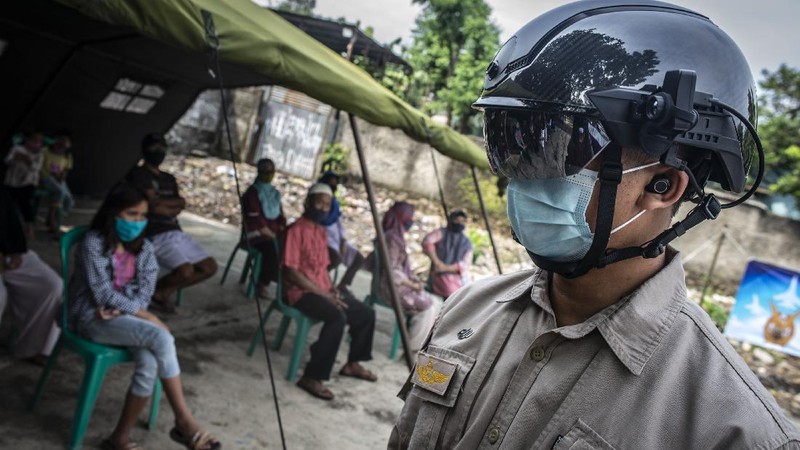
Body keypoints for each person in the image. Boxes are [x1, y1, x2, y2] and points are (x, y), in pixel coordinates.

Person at [390, 1, 800, 448]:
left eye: (558, 151)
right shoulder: (466, 311)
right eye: (514, 147)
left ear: (663, 187)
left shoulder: (731, 431)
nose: (524, 175)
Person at [68, 183, 221, 450]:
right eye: (131, 214)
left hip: (124, 318)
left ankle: (120, 438)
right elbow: (102, 293)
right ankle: (185, 422)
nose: (138, 221)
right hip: (91, 318)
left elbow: (146, 290)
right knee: (160, 336)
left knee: (150, 361)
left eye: (142, 216)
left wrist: (130, 309)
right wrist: (146, 316)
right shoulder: (93, 243)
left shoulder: (145, 248)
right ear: (113, 213)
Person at [284, 182, 377, 401]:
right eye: (319, 202)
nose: (323, 208)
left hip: (322, 289)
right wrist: (323, 294)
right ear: (308, 202)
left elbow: (322, 270)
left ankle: (353, 363)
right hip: (300, 293)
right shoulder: (295, 230)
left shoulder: (321, 232)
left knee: (365, 313)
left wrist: (332, 291)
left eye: (327, 204)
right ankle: (312, 376)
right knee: (337, 317)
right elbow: (292, 272)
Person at [126, 133, 217, 313]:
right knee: (186, 271)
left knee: (209, 267)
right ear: (145, 150)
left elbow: (180, 203)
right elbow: (151, 205)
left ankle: (161, 291)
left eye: (162, 148)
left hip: (176, 231)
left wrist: (162, 206)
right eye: (154, 148)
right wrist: (165, 206)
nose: (159, 152)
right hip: (154, 233)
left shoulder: (169, 178)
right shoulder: (138, 174)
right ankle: (155, 293)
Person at [0, 185, 61, 365]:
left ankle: (34, 348)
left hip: (8, 253)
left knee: (51, 285)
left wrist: (14, 250)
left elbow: (9, 217)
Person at [377, 202, 438, 354]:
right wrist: (412, 285)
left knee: (437, 303)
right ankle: (412, 349)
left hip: (398, 285)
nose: (411, 221)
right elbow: (392, 271)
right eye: (409, 217)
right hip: (391, 288)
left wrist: (413, 281)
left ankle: (418, 343)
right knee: (428, 308)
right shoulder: (392, 239)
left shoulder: (395, 236)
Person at [242, 158, 286, 295]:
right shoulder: (252, 193)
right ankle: (260, 282)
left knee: (290, 249)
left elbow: (281, 217)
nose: (268, 174)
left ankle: (282, 282)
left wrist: (283, 228)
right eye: (265, 171)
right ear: (259, 171)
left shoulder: (274, 194)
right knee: (275, 249)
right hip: (255, 236)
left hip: (272, 234)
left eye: (270, 171)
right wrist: (275, 236)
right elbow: (257, 224)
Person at [318, 171, 365, 290]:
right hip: (321, 239)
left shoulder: (334, 204)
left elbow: (338, 223)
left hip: (336, 240)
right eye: (330, 184)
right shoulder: (317, 201)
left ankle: (342, 287)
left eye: (335, 185)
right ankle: (317, 279)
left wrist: (343, 240)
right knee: (334, 259)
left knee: (358, 258)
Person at [421, 209, 473, 299]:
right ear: (451, 220)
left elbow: (465, 265)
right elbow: (427, 241)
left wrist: (443, 267)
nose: (459, 223)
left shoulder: (466, 243)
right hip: (440, 280)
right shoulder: (442, 233)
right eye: (456, 220)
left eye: (462, 221)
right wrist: (437, 262)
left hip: (458, 281)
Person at [4, 131, 45, 240]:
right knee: (8, 204)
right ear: (27, 140)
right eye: (33, 141)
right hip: (12, 181)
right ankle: (8, 227)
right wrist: (15, 158)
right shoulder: (17, 149)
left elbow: (36, 168)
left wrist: (27, 160)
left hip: (28, 182)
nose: (35, 144)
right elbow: (7, 161)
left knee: (25, 203)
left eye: (38, 142)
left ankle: (29, 228)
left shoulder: (40, 154)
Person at [40, 129, 75, 233]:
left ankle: (53, 217)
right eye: (60, 140)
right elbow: (39, 168)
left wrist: (61, 178)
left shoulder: (67, 156)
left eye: (66, 141)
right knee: (60, 192)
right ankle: (52, 222)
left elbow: (65, 171)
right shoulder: (45, 151)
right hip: (45, 178)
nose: (62, 144)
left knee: (69, 200)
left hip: (59, 180)